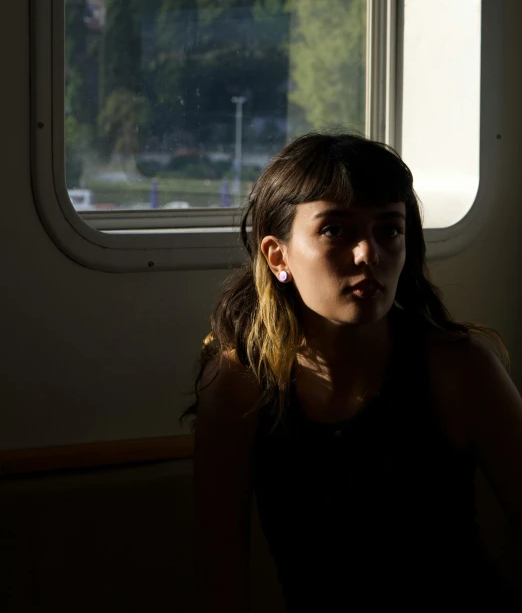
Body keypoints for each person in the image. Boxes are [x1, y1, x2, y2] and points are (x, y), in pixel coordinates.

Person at [181, 131, 522, 612]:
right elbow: (219, 580)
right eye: (335, 231)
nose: (368, 255)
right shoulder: (239, 387)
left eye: (389, 230)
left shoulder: (459, 370)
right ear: (278, 256)